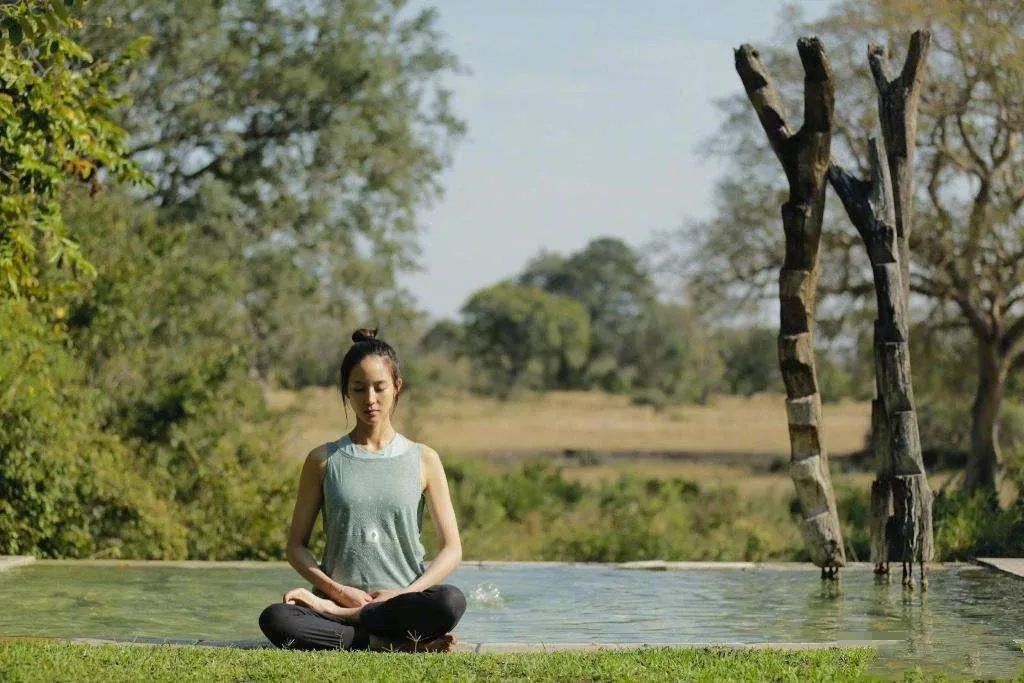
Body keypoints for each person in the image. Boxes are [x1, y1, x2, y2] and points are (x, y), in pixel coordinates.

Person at [259, 328, 466, 651]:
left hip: (401, 607)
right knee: (276, 619)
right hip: (336, 604)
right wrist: (337, 593)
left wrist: (404, 594)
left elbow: (452, 548)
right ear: (346, 392)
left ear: (397, 387)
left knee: (449, 601)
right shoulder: (323, 460)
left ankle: (361, 626)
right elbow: (296, 547)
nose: (370, 399)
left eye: (379, 387)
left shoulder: (424, 459)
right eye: (358, 388)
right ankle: (387, 642)